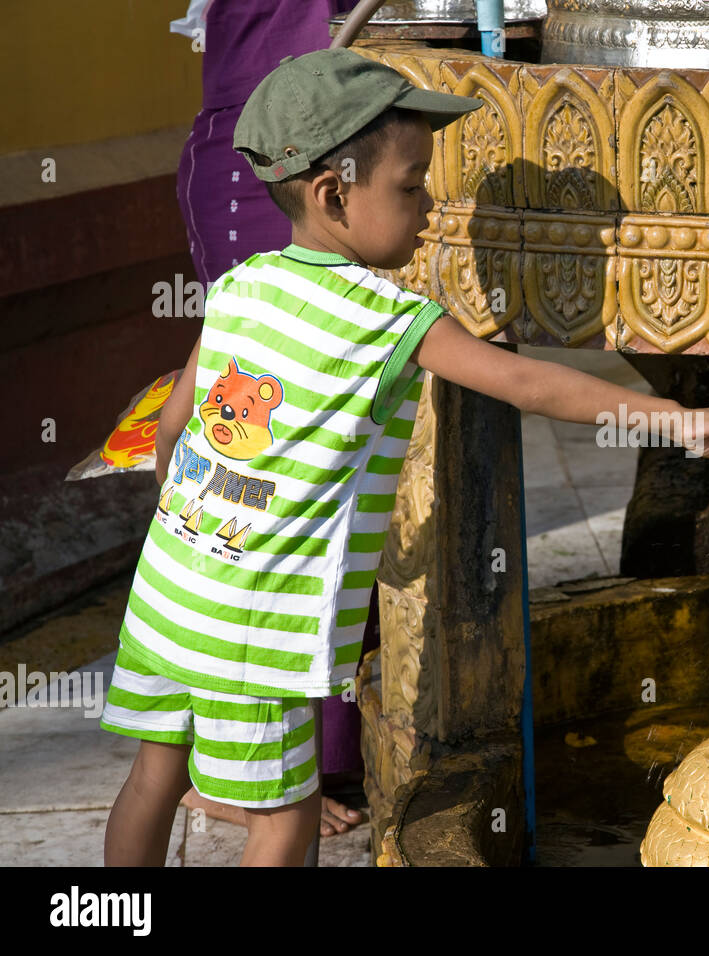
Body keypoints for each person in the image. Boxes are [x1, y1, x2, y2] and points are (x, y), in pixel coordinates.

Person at [100, 48, 709, 866]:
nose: (430, 203)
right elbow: (527, 383)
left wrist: (189, 517)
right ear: (335, 193)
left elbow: (174, 423)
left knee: (152, 777)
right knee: (283, 820)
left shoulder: (243, 285)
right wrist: (675, 420)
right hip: (255, 630)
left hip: (170, 589)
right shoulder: (385, 318)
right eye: (409, 187)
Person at [173, 0, 369, 841]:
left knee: (329, 465)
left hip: (339, 142)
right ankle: (222, 768)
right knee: (265, 471)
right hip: (268, 158)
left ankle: (314, 753)